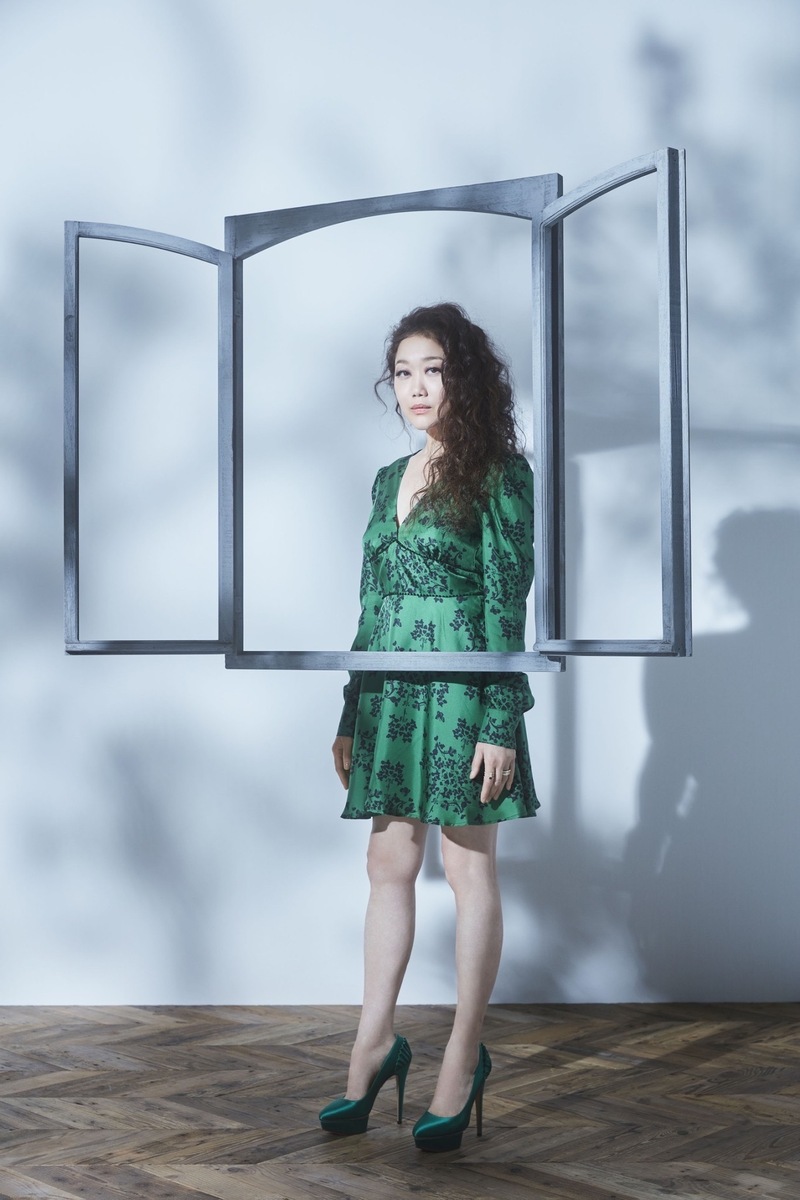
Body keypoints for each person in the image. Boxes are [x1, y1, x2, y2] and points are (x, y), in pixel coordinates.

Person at [318, 302, 539, 1152]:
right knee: (387, 863)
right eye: (404, 372)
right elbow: (370, 603)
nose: (416, 387)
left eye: (434, 370)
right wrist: (351, 708)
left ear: (466, 378)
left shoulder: (500, 474)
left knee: (469, 867)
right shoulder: (387, 478)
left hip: (464, 693)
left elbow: (507, 603)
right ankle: (374, 1046)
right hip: (388, 695)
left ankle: (462, 1054)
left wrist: (500, 720)